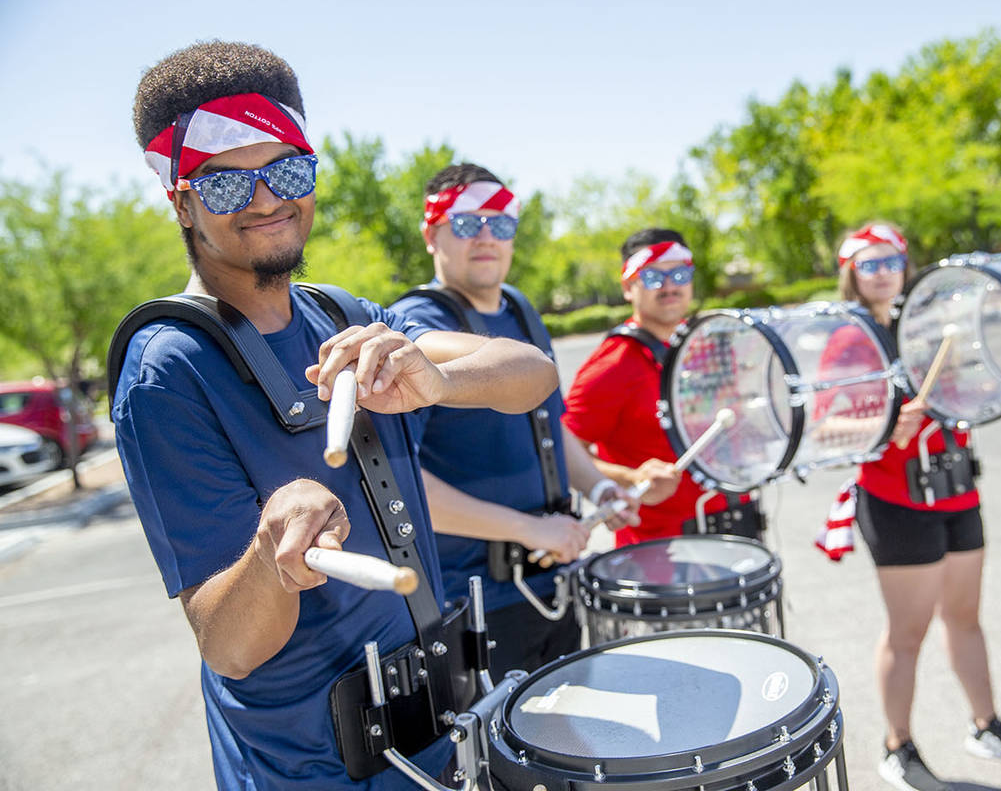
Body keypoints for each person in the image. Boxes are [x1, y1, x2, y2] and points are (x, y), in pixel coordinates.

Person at [113, 42, 559, 789]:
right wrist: (269, 555)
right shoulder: (167, 369)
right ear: (179, 199)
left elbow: (532, 375)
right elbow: (229, 647)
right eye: (226, 186)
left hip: (436, 733)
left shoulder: (341, 315)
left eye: (286, 170)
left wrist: (439, 383)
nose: (265, 201)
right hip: (315, 768)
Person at [388, 163, 641, 674]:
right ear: (430, 232)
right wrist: (530, 529)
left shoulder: (521, 310)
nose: (486, 237)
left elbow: (550, 426)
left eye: (500, 224)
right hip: (474, 607)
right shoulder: (413, 328)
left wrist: (599, 489)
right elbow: (399, 487)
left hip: (555, 579)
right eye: (466, 223)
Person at [832, 223, 1001, 791]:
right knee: (908, 632)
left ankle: (987, 727)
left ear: (905, 264)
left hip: (956, 488)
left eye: (890, 259)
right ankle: (896, 747)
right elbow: (825, 422)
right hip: (896, 500)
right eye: (868, 262)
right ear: (851, 272)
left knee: (965, 618)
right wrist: (882, 427)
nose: (880, 271)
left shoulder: (929, 324)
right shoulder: (848, 337)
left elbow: (968, 389)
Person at [563, 228, 762, 548]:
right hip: (660, 552)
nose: (670, 286)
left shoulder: (707, 344)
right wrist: (632, 479)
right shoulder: (612, 365)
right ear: (629, 286)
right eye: (654, 277)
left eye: (680, 274)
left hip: (736, 527)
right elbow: (564, 450)